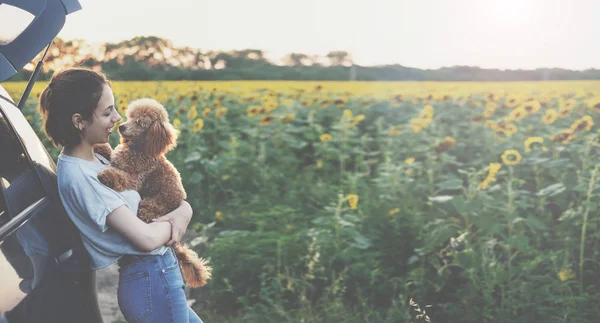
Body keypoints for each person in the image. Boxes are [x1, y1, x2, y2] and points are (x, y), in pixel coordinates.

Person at [37, 67, 203, 323]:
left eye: (115, 108)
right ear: (79, 121)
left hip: (157, 274)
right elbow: (146, 239)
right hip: (150, 276)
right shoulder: (83, 177)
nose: (116, 118)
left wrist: (184, 209)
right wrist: (179, 218)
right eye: (107, 112)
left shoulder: (96, 157)